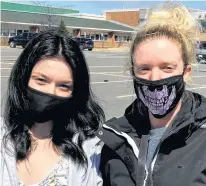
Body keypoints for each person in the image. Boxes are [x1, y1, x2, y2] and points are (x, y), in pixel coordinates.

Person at [96, 3, 206, 186]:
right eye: (144, 68)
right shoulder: (115, 140)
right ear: (133, 72)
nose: (155, 79)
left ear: (186, 72)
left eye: (167, 68)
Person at [0, 29, 105, 186]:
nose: (50, 92)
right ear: (23, 77)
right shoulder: (3, 139)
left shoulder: (89, 150)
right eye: (41, 80)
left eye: (63, 86)